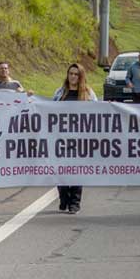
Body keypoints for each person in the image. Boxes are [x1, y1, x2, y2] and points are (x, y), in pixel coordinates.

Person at [53, 63, 97, 214]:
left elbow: (98, 112)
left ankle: (75, 203)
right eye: (70, 73)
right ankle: (64, 197)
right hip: (61, 139)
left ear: (81, 76)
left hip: (80, 140)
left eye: (76, 74)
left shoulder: (88, 93)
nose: (73, 76)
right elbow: (48, 111)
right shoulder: (60, 92)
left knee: (77, 171)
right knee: (61, 171)